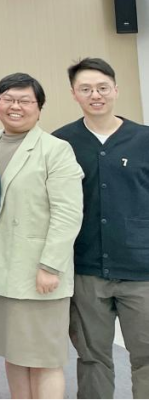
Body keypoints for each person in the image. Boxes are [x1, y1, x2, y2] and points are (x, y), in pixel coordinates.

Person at [0, 73, 83, 400]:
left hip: (38, 273)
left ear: (39, 107)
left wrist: (50, 266)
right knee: (15, 354)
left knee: (44, 359)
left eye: (25, 101)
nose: (16, 106)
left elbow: (68, 213)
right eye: (8, 99)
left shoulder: (56, 149)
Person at [54, 57, 149, 400]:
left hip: (141, 271)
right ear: (74, 94)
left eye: (102, 88)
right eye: (86, 89)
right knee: (92, 357)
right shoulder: (62, 142)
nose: (95, 95)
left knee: (146, 357)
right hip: (86, 269)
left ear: (116, 90)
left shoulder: (143, 139)